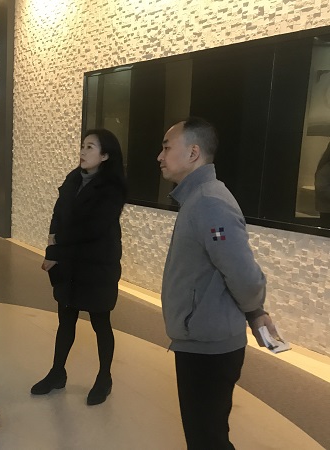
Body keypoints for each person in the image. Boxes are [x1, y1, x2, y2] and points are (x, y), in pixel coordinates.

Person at [157, 117, 278, 449]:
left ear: (193, 152)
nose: (160, 156)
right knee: (206, 436)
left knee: (207, 439)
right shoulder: (198, 199)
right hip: (200, 338)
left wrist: (255, 310)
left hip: (208, 346)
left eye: (167, 148)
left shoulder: (209, 202)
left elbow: (243, 273)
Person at [31, 129, 126, 406]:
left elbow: (93, 228)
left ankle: (104, 377)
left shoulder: (113, 187)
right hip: (70, 264)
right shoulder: (73, 178)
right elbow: (58, 215)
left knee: (100, 323)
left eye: (90, 147)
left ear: (105, 155)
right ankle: (57, 373)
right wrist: (52, 244)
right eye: (83, 146)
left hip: (97, 266)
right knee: (66, 319)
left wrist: (57, 247)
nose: (83, 151)